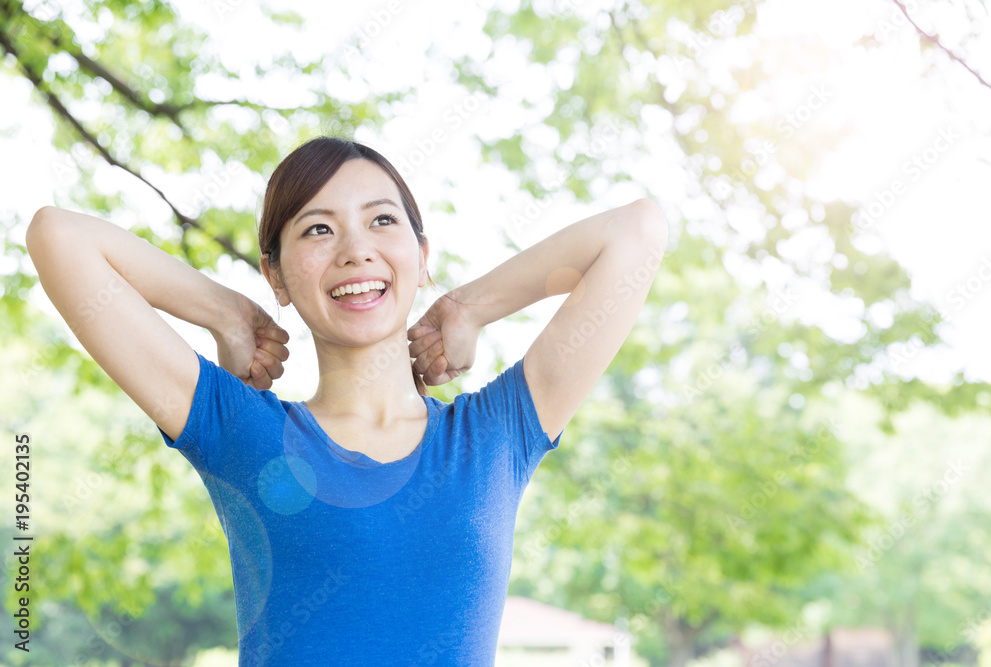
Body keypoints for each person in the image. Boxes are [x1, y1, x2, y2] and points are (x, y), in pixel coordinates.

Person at [26, 135, 668, 665]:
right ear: (275, 272)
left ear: (421, 256)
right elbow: (58, 237)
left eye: (382, 221)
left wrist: (470, 306)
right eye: (317, 230)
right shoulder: (243, 432)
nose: (356, 248)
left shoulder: (496, 435)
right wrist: (224, 311)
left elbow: (637, 232)